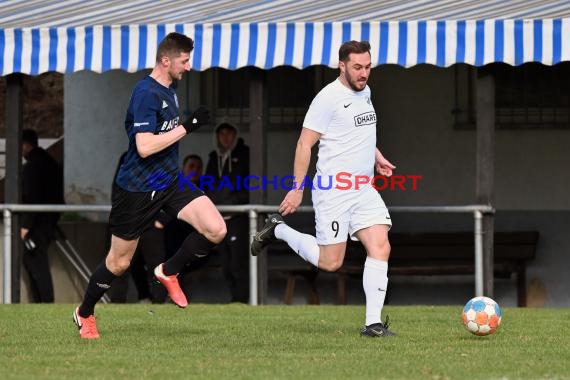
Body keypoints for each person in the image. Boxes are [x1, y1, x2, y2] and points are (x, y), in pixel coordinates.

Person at [72, 32, 227, 339]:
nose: (188, 67)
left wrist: (184, 127)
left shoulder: (172, 88)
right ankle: (85, 312)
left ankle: (168, 271)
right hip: (137, 189)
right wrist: (188, 126)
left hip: (168, 181)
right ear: (165, 60)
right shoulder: (146, 93)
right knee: (119, 263)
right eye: (184, 61)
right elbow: (143, 147)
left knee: (216, 229)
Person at [251, 41, 397, 337]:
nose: (364, 74)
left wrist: (376, 156)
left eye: (368, 67)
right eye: (357, 67)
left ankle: (373, 325)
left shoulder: (365, 92)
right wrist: (296, 188)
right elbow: (305, 143)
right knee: (331, 262)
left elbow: (359, 132)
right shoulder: (327, 98)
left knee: (381, 246)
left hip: (363, 188)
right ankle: (277, 229)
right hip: (334, 191)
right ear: (341, 65)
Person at [204, 122, 250, 303]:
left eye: (229, 133)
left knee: (237, 265)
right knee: (226, 265)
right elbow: (206, 187)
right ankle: (235, 300)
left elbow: (251, 188)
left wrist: (229, 202)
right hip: (218, 219)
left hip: (238, 218)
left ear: (235, 134)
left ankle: (241, 301)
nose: (225, 137)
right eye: (221, 133)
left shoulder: (245, 155)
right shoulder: (213, 158)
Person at [20, 128, 64, 303]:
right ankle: (43, 301)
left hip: (38, 222)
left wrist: (26, 225)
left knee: (35, 262)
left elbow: (32, 196)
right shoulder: (49, 162)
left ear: (25, 145)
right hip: (49, 219)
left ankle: (44, 301)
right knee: (36, 260)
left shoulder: (33, 165)